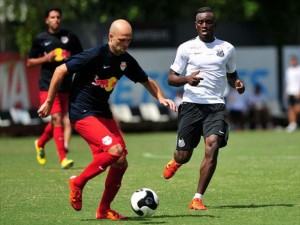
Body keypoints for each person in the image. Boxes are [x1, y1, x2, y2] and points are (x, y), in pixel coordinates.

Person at [38, 19, 177, 220]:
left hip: (102, 113)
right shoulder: (94, 55)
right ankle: (77, 183)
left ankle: (103, 210)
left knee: (121, 162)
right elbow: (60, 70)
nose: (125, 44)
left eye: (129, 40)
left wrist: (161, 97)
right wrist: (50, 102)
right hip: (82, 112)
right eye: (122, 40)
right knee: (116, 150)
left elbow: (147, 80)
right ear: (110, 37)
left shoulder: (125, 60)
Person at [163, 7, 245, 210]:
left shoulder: (227, 48)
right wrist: (186, 79)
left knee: (213, 145)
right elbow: (171, 78)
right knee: (184, 155)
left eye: (209, 22)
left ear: (214, 25)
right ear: (196, 24)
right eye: (201, 22)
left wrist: (237, 83)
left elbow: (232, 74)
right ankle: (176, 162)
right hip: (191, 106)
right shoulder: (186, 48)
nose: (205, 25)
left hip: (216, 106)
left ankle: (197, 197)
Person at [27, 6, 83, 168]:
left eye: (58, 17)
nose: (56, 19)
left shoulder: (70, 37)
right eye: (52, 17)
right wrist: (46, 58)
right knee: (58, 118)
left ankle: (40, 143)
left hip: (66, 84)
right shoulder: (40, 39)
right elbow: (30, 62)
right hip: (47, 85)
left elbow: (81, 56)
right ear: (47, 20)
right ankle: (63, 158)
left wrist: (70, 58)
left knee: (56, 121)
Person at [285, 55, 300, 133]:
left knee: (297, 109)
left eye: (294, 60)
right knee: (291, 108)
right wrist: (287, 91)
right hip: (290, 91)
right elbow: (288, 82)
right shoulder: (289, 70)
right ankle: (292, 124)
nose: (293, 62)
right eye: (291, 60)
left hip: (297, 92)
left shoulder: (298, 69)